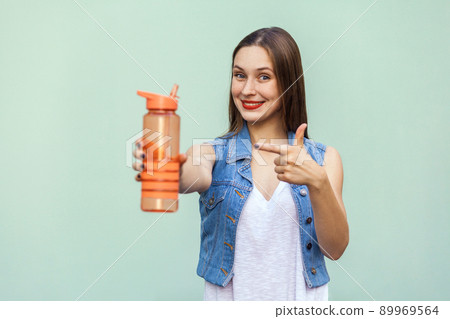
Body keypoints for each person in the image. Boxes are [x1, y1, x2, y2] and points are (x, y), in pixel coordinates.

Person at [133, 27, 348, 301]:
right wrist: (168, 170)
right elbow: (192, 173)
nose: (247, 89)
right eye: (239, 75)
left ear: (289, 82)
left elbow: (335, 249)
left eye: (264, 77)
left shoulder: (324, 159)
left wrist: (317, 183)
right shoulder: (211, 152)